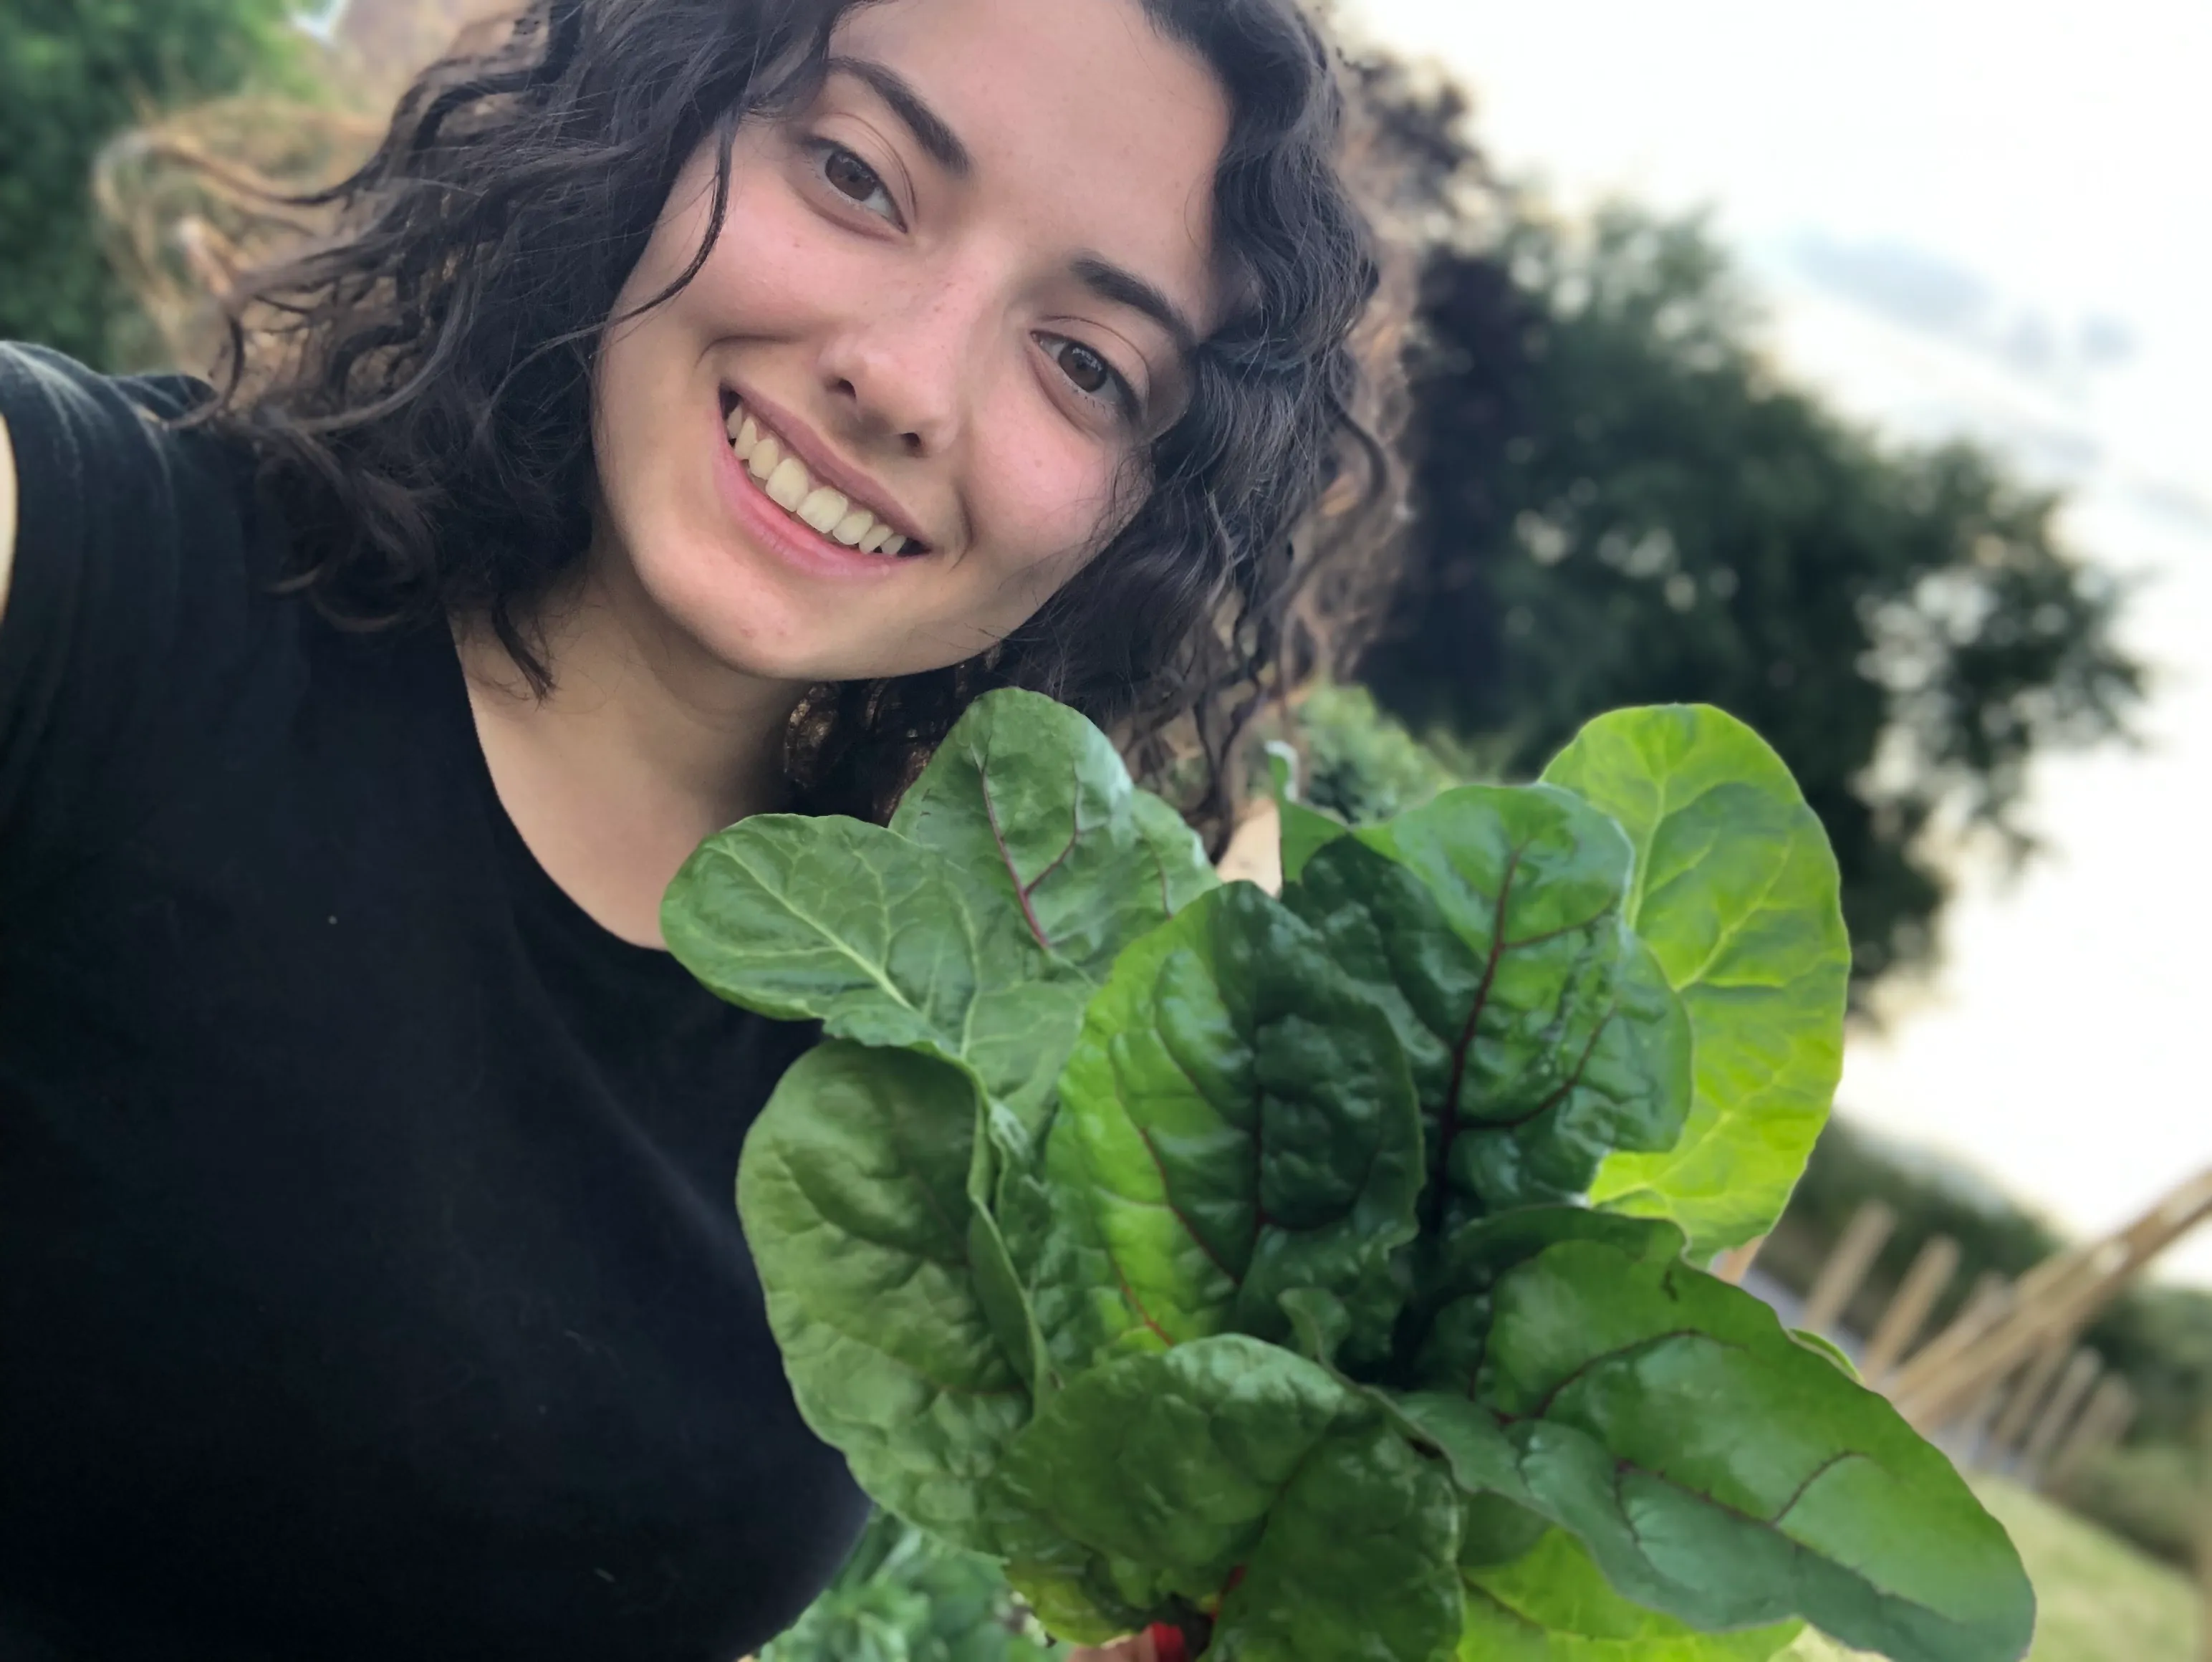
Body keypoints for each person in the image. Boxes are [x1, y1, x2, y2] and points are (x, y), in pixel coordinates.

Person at [0, 0, 1392, 1655]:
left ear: (1136, 515)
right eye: (858, 177)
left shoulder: (940, 1066)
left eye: (1084, 362)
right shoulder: (94, 579)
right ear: (660, 128)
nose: (903, 379)